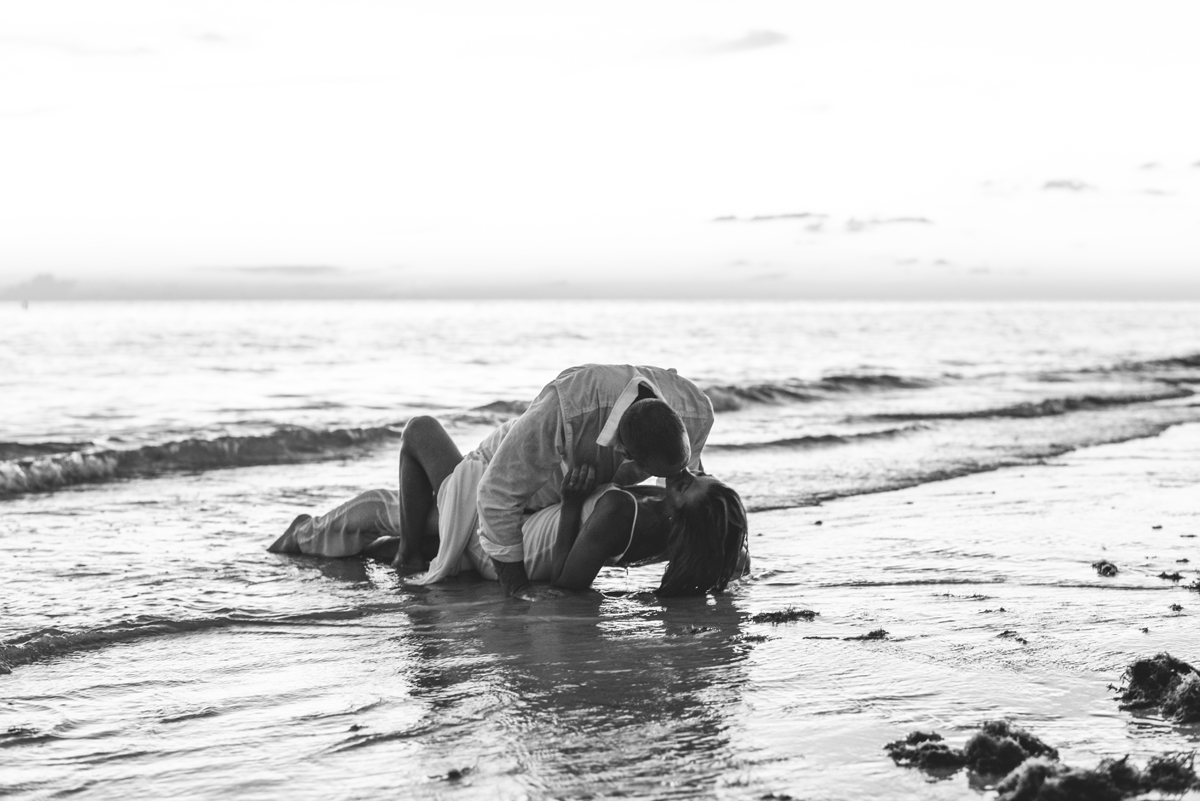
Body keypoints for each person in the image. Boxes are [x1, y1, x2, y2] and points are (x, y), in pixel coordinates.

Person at [268, 420, 749, 597]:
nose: (686, 474)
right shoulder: (677, 536)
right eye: (698, 475)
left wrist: (573, 501)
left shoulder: (625, 509)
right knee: (409, 523)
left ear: (683, 513)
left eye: (688, 485)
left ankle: (304, 537)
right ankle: (384, 551)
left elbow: (565, 580)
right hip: (509, 538)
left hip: (496, 550)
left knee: (417, 441)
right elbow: (723, 544)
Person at [474, 364, 715, 598]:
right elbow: (495, 494)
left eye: (685, 474)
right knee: (443, 534)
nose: (686, 476)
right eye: (671, 477)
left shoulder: (696, 412)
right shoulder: (571, 403)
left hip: (553, 511)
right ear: (627, 456)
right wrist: (518, 588)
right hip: (487, 488)